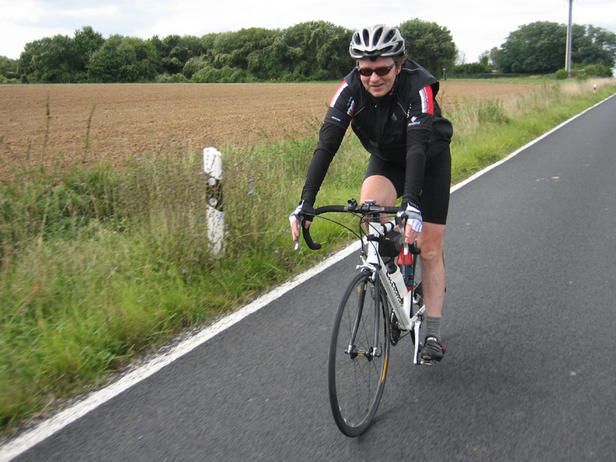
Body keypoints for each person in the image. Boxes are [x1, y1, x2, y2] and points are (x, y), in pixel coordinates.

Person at [289, 24, 453, 363]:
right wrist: (306, 202)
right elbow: (326, 144)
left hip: (428, 159)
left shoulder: (419, 87)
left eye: (382, 69)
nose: (374, 78)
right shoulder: (349, 90)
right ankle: (394, 280)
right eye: (366, 71)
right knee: (370, 210)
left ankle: (433, 334)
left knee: (429, 249)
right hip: (387, 159)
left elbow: (417, 147)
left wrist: (412, 204)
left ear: (399, 65)